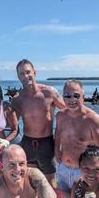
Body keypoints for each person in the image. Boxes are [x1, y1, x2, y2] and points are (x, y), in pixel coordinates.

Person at [11, 59, 65, 187]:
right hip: (27, 143)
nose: (25, 76)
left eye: (28, 72)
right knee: (28, 181)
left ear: (34, 72)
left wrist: (64, 136)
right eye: (21, 74)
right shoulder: (17, 99)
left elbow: (68, 112)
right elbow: (11, 125)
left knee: (50, 181)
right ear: (18, 77)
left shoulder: (49, 92)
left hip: (46, 143)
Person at [55, 79, 99, 198]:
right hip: (63, 169)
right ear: (63, 98)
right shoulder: (60, 116)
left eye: (76, 95)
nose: (71, 99)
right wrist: (56, 151)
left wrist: (96, 175)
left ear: (83, 97)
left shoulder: (93, 120)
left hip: (82, 173)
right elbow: (57, 135)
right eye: (67, 96)